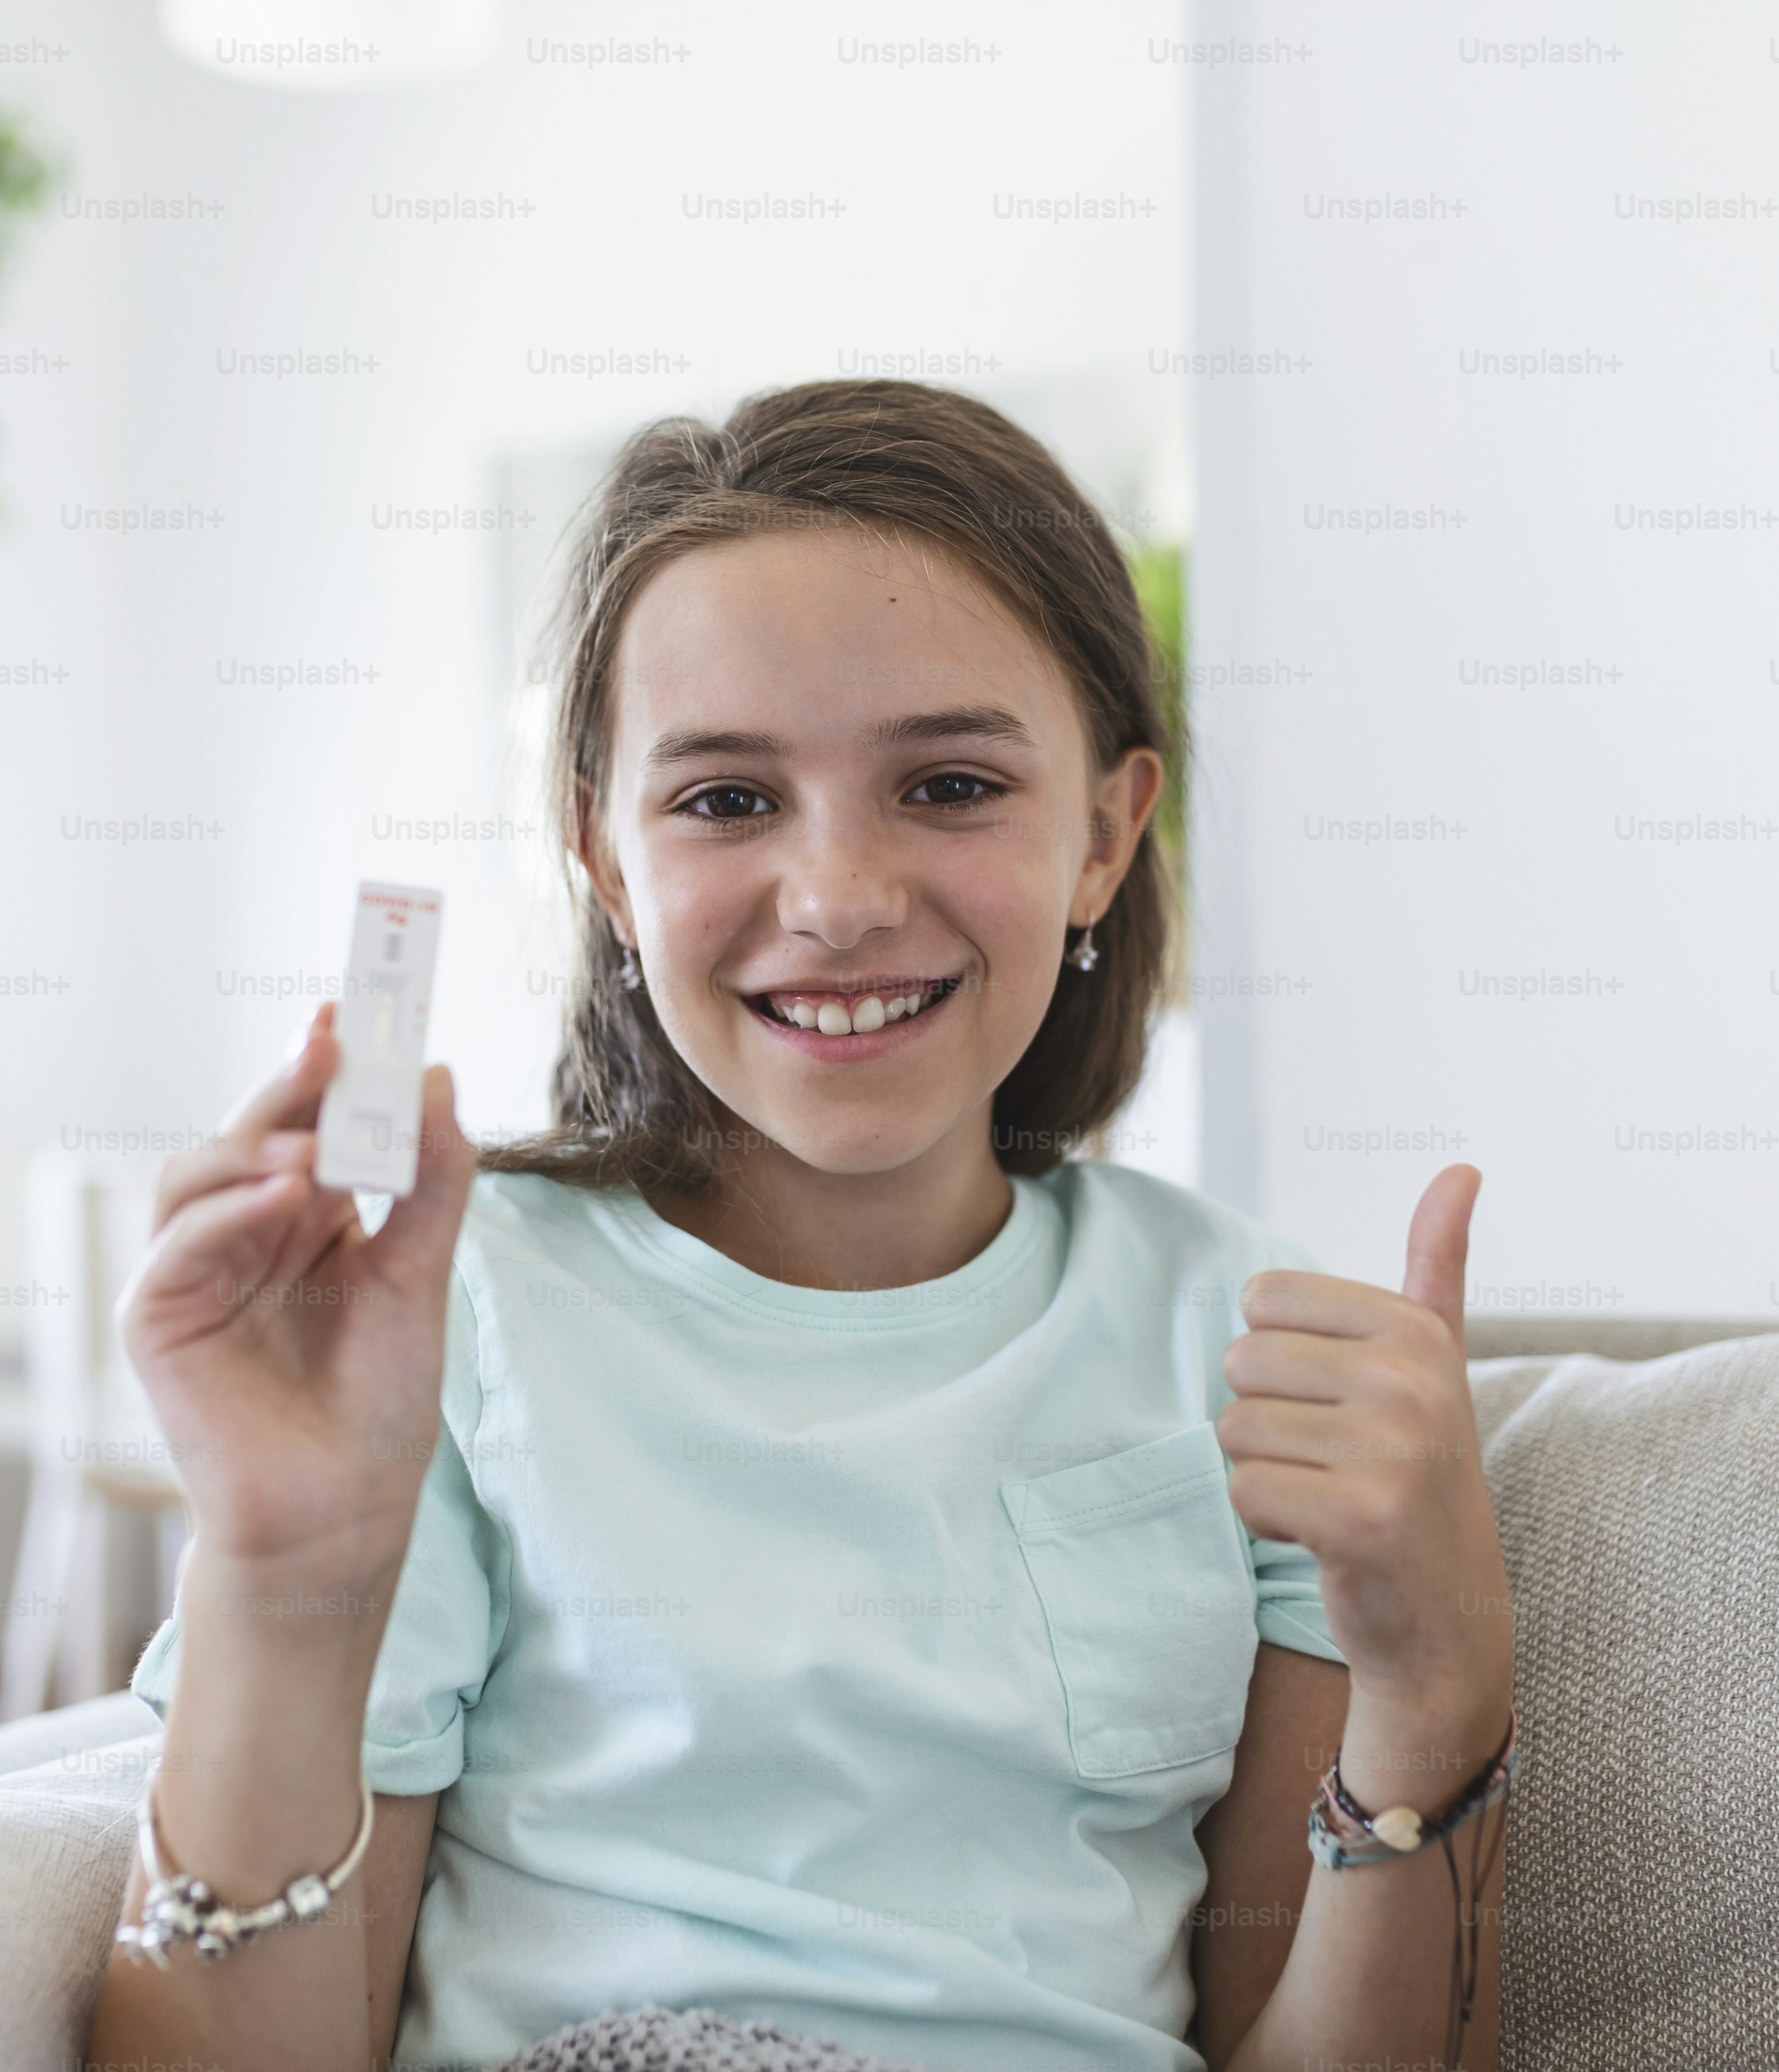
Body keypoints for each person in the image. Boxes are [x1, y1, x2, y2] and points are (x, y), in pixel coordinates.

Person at [86, 380, 1519, 2072]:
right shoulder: (445, 1335)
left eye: (953, 784)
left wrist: (1434, 1701)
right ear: (605, 868)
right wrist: (280, 1573)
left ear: (1107, 834)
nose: (838, 901)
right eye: (726, 802)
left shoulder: (1259, 1348)